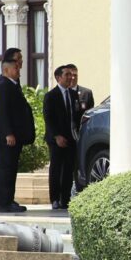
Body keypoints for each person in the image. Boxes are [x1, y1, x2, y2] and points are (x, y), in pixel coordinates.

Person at [0, 59, 35, 213]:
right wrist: (8, 133)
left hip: (14, 135)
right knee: (6, 169)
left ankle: (8, 199)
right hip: (7, 136)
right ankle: (4, 202)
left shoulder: (12, 85)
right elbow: (2, 111)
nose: (19, 71)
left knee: (11, 169)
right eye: (15, 68)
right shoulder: (3, 86)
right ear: (6, 70)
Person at [44, 66, 77, 210]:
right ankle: (55, 199)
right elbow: (48, 118)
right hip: (56, 139)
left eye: (71, 75)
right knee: (56, 169)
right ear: (58, 78)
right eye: (67, 75)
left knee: (68, 170)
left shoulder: (74, 95)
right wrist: (57, 136)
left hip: (71, 138)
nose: (70, 77)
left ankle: (65, 199)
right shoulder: (51, 96)